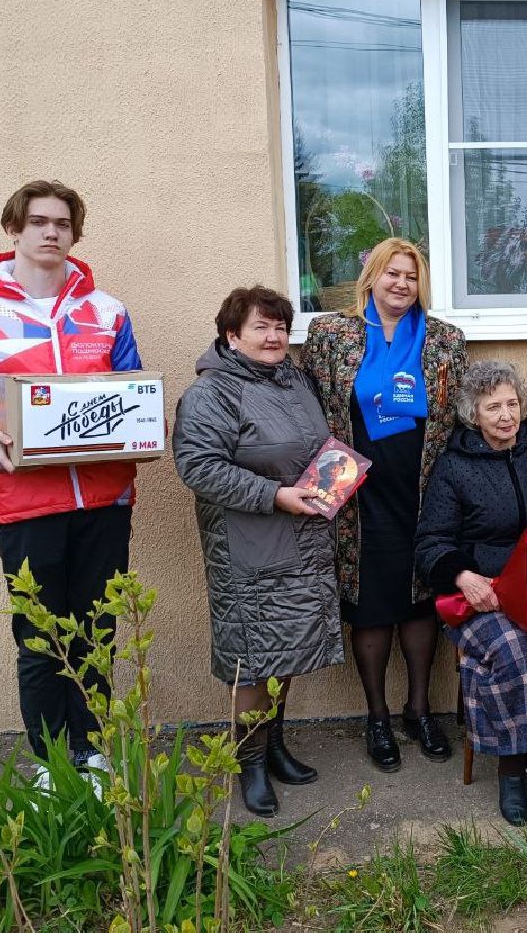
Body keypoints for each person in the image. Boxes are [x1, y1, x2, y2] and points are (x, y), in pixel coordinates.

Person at [0, 180, 142, 785]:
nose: (51, 233)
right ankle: (51, 765)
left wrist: (147, 425)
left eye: (63, 224)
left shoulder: (108, 311)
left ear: (75, 234)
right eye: (38, 222)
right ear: (13, 229)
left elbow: (131, 393)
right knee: (41, 639)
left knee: (98, 630)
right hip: (23, 505)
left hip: (104, 500)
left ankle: (91, 753)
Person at [172, 286, 344, 817]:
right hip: (248, 545)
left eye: (280, 328)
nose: (273, 338)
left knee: (285, 648)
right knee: (253, 659)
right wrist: (275, 495)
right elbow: (199, 467)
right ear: (232, 336)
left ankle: (275, 747)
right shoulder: (212, 393)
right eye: (261, 328)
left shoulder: (293, 380)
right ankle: (249, 764)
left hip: (302, 536)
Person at [300, 239, 466, 771]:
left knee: (420, 597)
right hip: (354, 491)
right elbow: (306, 401)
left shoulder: (444, 341)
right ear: (370, 276)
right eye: (391, 274)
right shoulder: (332, 334)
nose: (401, 284)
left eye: (411, 277)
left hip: (422, 486)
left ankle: (419, 709)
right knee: (370, 600)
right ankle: (377, 716)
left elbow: (466, 407)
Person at [414, 361, 527, 826]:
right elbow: (431, 543)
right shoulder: (454, 468)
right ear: (475, 413)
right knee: (511, 652)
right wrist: (463, 576)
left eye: (512, 404)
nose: (506, 416)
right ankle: (512, 771)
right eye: (493, 407)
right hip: (482, 598)